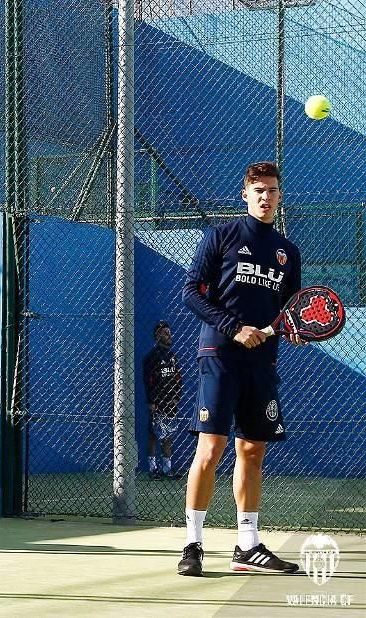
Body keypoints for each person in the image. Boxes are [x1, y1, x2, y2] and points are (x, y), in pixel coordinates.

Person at [177, 161, 302, 576]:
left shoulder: (288, 252)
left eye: (272, 190)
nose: (266, 196)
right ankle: (192, 544)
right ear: (245, 194)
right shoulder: (222, 236)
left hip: (262, 362)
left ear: (280, 196)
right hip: (220, 355)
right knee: (210, 449)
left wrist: (293, 329)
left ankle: (247, 546)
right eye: (258, 189)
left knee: (252, 450)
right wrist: (234, 328)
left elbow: (290, 311)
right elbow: (191, 293)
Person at [142, 320, 182, 480]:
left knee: (168, 434)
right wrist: (151, 401)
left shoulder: (172, 356)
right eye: (165, 333)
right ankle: (153, 470)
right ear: (157, 336)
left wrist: (176, 398)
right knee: (153, 434)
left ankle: (167, 469)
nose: (169, 335)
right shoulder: (151, 358)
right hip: (157, 403)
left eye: (169, 332)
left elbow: (178, 378)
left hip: (170, 403)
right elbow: (148, 381)